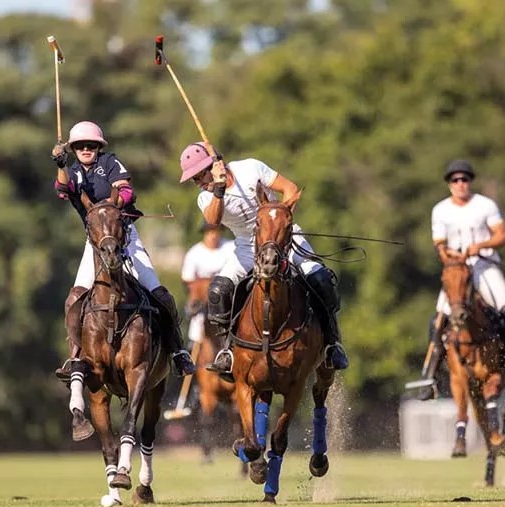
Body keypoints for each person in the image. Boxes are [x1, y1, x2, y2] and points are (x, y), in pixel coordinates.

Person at [178, 142, 349, 382]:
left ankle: (332, 344)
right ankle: (227, 350)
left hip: (282, 238)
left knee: (320, 278)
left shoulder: (250, 168)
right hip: (247, 247)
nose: (198, 183)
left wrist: (281, 222)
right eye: (194, 180)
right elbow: (213, 220)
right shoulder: (205, 198)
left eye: (197, 177)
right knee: (218, 292)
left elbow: (289, 189)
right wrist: (218, 187)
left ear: (212, 165)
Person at [50, 121, 195, 380]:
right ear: (73, 149)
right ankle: (75, 355)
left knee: (160, 294)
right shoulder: (72, 172)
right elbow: (63, 188)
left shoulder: (110, 163)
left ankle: (178, 350)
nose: (86, 149)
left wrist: (106, 207)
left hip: (124, 236)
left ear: (98, 147)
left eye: (91, 145)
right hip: (95, 243)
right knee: (74, 298)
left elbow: (126, 191)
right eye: (81, 146)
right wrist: (60, 165)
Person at [415, 159, 505, 401]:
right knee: (437, 320)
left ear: (470, 182)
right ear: (449, 184)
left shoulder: (485, 205)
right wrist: (450, 256)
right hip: (456, 271)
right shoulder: (440, 210)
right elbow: (439, 245)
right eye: (455, 180)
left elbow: (502, 235)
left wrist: (480, 245)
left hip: (484, 266)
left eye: (464, 179)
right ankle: (430, 378)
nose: (460, 184)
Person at [180, 221, 235, 351]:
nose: (213, 235)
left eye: (216, 231)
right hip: (203, 302)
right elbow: (188, 280)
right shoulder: (194, 253)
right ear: (205, 233)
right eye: (210, 231)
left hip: (227, 298)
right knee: (196, 325)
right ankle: (190, 357)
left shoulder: (230, 248)